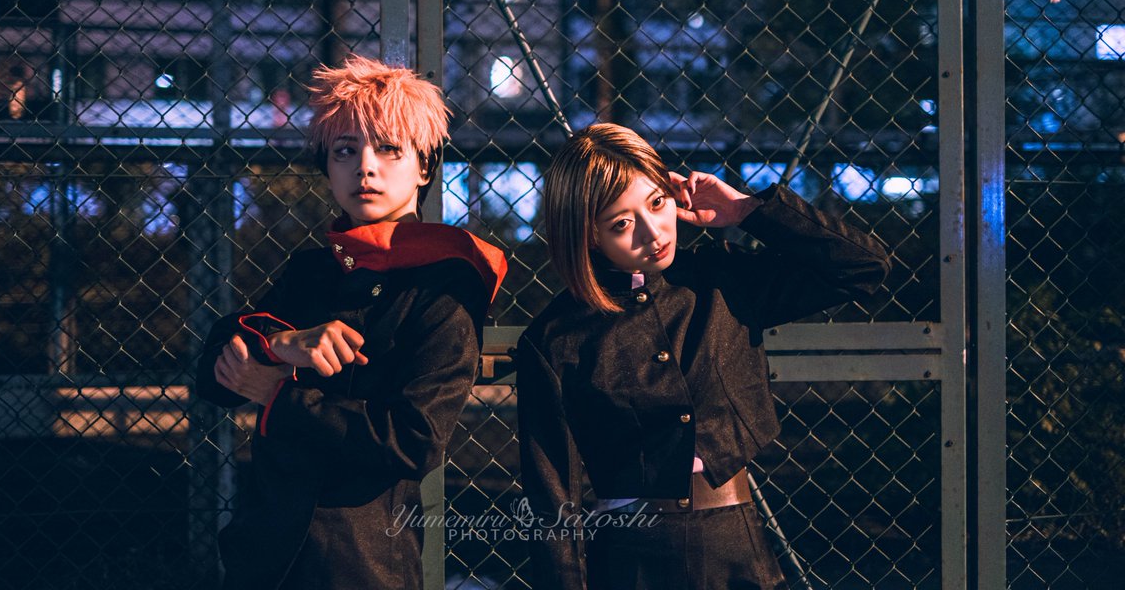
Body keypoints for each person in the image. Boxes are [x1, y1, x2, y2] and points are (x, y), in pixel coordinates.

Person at [516, 123, 889, 590]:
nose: (653, 233)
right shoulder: (556, 338)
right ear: (589, 236)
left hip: (738, 550)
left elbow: (864, 268)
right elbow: (551, 499)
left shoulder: (722, 279)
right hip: (629, 563)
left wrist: (747, 210)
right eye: (621, 224)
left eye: (657, 202)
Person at [196, 55, 507, 590]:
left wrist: (277, 395)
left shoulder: (447, 282)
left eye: (389, 149)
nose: (365, 166)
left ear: (424, 166)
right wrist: (279, 343)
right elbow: (214, 375)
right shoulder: (313, 270)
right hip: (264, 555)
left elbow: (414, 439)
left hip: (360, 562)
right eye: (345, 151)